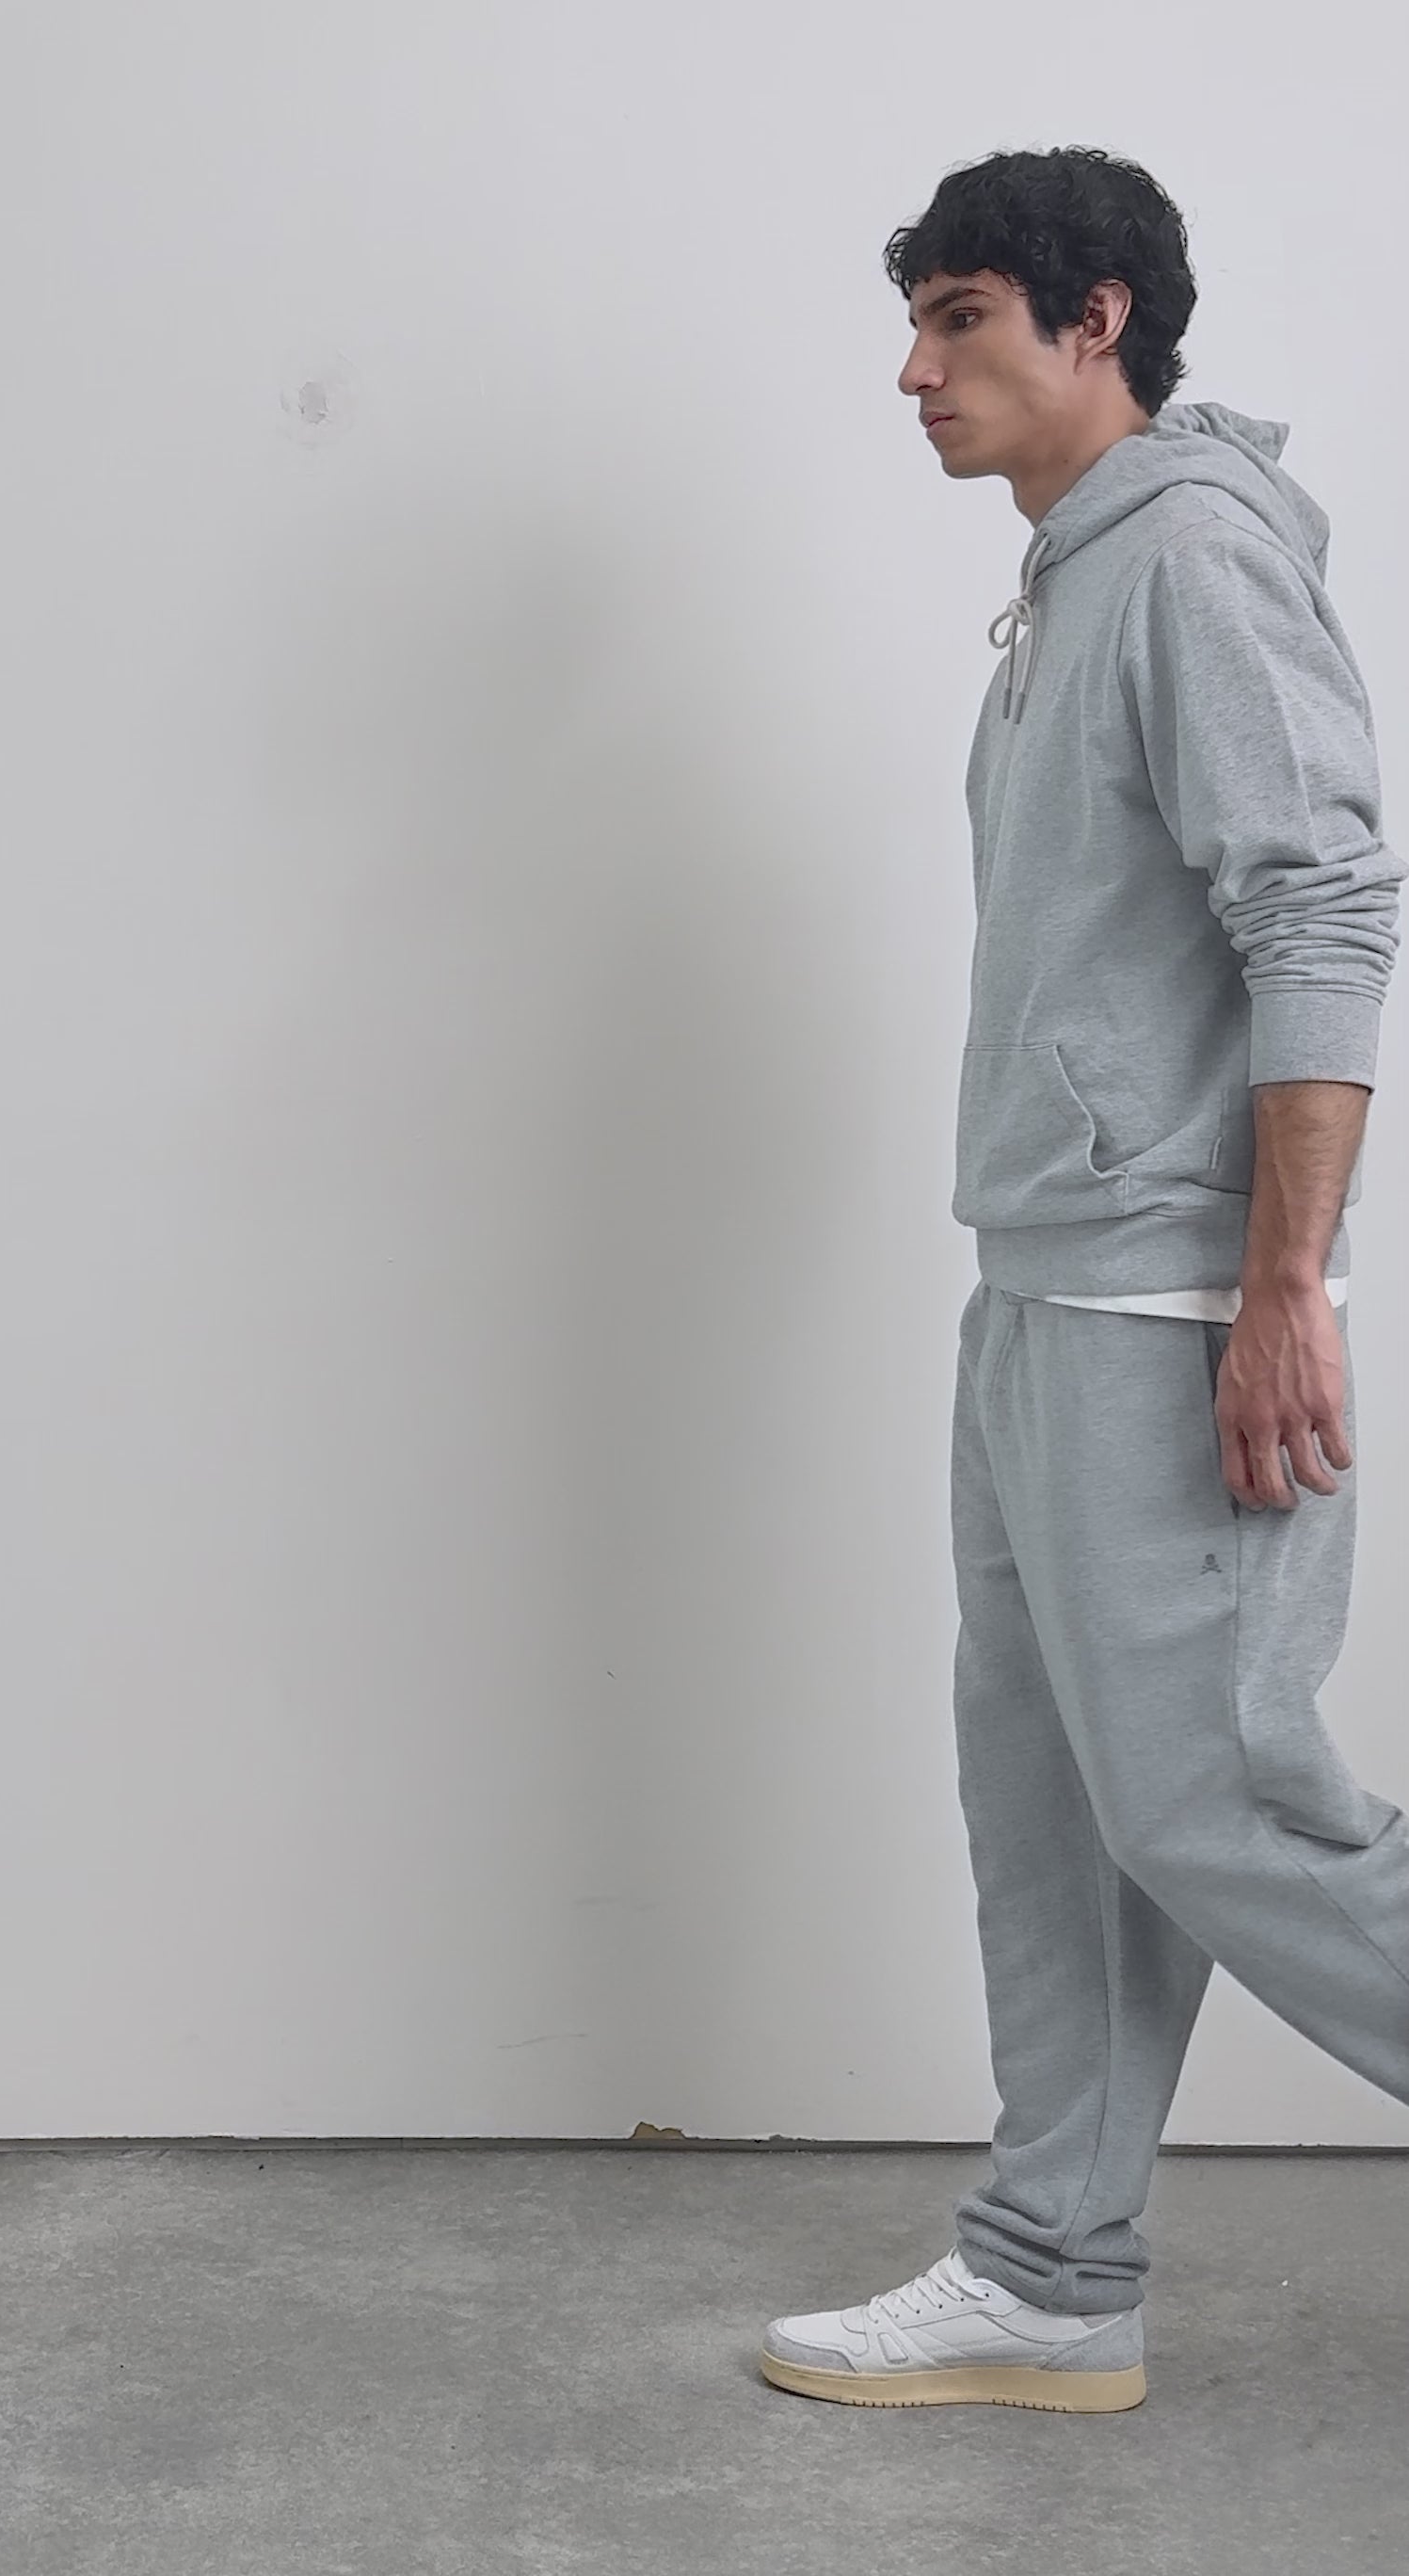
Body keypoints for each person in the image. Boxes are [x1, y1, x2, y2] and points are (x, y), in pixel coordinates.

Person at [759, 145, 1409, 2412]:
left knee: (1212, 1803)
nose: (912, 370)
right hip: (1040, 1279)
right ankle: (1047, 2271)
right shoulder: (1070, 577)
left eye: (955, 316)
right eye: (915, 319)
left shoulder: (1194, 563)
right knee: (1050, 1808)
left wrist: (1279, 1288)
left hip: (1171, 1303)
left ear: (1094, 319)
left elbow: (1320, 907)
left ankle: (1047, 2261)